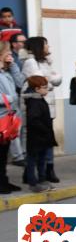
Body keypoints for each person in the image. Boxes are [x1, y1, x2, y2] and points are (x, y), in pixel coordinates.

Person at [21, 36, 62, 183]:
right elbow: (40, 82)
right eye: (46, 44)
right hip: (37, 107)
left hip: (47, 106)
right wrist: (49, 80)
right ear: (39, 46)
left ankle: (47, 169)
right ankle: (33, 174)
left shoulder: (46, 62)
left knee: (47, 140)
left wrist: (49, 79)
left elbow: (57, 80)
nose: (48, 47)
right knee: (37, 144)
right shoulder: (31, 62)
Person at [23, 75, 57, 193]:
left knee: (42, 159)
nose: (46, 90)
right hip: (36, 137)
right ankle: (33, 183)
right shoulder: (34, 102)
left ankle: (42, 180)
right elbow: (33, 120)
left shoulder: (39, 99)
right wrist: (45, 129)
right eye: (44, 87)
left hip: (43, 137)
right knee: (33, 160)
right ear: (37, 89)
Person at [0, 41, 22, 194]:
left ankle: (4, 181)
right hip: (0, 117)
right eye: (7, 51)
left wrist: (13, 65)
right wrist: (10, 98)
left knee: (4, 153)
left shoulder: (7, 72)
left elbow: (20, 82)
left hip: (9, 118)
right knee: (0, 154)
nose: (10, 54)